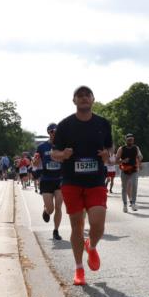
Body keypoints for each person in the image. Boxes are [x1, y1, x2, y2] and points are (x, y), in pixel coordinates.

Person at [51, 86, 113, 286]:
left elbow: (110, 149)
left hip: (95, 181)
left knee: (98, 222)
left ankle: (92, 246)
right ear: (74, 100)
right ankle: (79, 269)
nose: (84, 98)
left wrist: (107, 155)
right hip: (72, 182)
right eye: (80, 95)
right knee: (76, 226)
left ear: (93, 99)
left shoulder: (103, 123)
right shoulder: (65, 125)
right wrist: (63, 155)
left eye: (87, 95)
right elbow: (54, 154)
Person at [34, 123, 64, 240]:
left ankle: (56, 231)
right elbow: (35, 163)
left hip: (59, 179)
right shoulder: (42, 147)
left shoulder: (62, 145)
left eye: (56, 132)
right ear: (48, 133)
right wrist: (35, 162)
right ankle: (46, 210)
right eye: (52, 132)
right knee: (51, 209)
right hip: (46, 180)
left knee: (58, 206)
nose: (54, 134)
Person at [117, 134, 142, 211]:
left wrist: (140, 158)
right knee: (124, 188)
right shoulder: (121, 149)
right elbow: (116, 160)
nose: (130, 141)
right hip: (124, 170)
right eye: (128, 140)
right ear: (126, 140)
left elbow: (140, 156)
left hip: (134, 170)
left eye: (131, 140)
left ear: (133, 140)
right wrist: (123, 160)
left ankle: (133, 203)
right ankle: (125, 205)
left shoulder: (136, 148)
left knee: (134, 185)